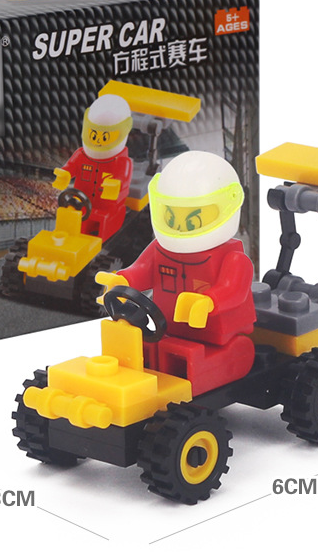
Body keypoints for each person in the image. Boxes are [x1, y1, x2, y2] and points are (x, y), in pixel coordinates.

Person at [97, 151, 255, 396]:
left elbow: (232, 290)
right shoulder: (159, 249)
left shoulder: (233, 258)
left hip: (218, 338)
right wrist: (123, 279)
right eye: (171, 217)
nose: (180, 228)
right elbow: (142, 270)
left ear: (229, 207)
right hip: (164, 328)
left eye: (193, 220)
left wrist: (208, 302)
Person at [53, 94, 133, 241]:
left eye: (105, 137)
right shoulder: (81, 155)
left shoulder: (122, 162)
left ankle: (97, 242)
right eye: (93, 135)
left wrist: (115, 184)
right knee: (67, 212)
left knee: (100, 220)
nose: (98, 142)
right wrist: (64, 174)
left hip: (107, 207)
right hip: (81, 202)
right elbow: (70, 167)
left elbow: (122, 177)